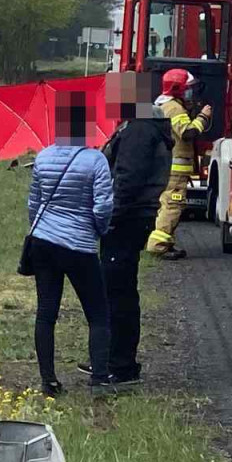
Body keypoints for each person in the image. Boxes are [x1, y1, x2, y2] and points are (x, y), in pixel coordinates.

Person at [81, 72, 173, 386]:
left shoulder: (140, 129)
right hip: (132, 217)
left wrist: (106, 216)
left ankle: (119, 365)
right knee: (118, 289)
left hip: (126, 219)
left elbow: (127, 180)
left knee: (117, 291)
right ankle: (111, 359)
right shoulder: (137, 125)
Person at [27, 90, 113, 397]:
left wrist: (42, 230)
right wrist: (98, 231)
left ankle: (48, 380)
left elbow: (33, 203)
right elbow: (102, 207)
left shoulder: (43, 156)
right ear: (87, 126)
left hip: (43, 243)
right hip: (79, 245)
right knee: (98, 313)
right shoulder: (96, 161)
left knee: (46, 312)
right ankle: (100, 379)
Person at [147, 69, 212, 259]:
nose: (190, 95)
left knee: (168, 205)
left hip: (169, 169)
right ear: (178, 89)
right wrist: (203, 116)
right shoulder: (174, 108)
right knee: (172, 206)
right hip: (174, 171)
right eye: (188, 90)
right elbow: (187, 132)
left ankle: (166, 242)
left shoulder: (164, 105)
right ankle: (159, 245)